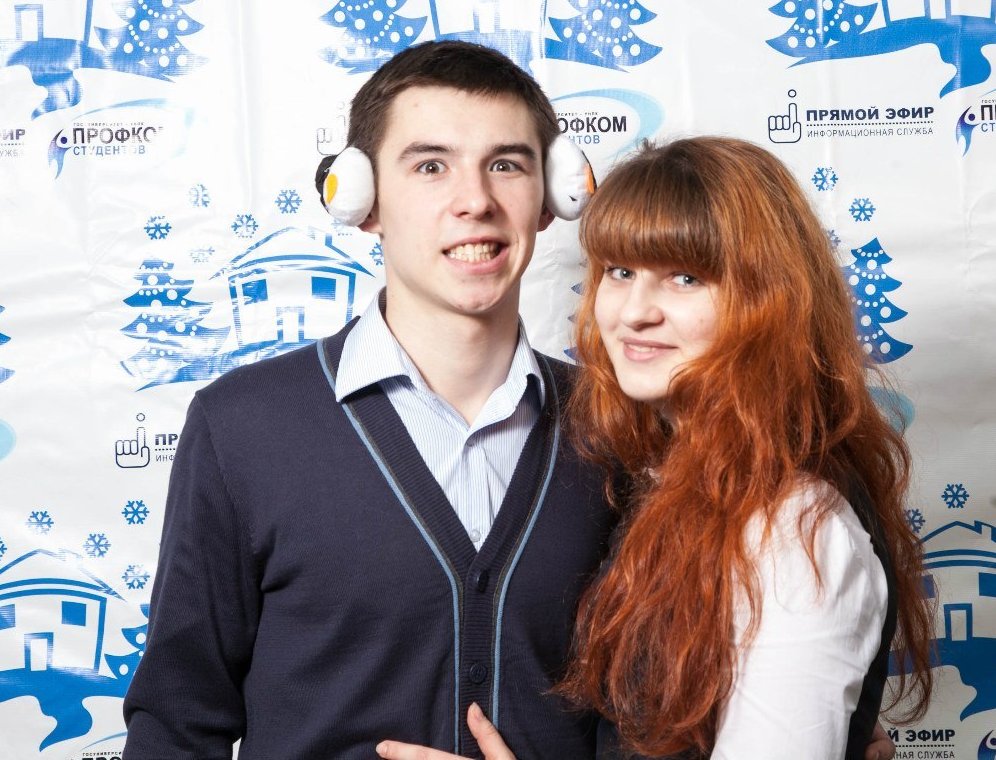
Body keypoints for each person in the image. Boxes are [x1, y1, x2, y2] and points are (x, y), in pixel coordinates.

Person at [122, 40, 617, 759]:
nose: (475, 201)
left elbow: (648, 726)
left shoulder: (618, 433)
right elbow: (175, 727)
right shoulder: (242, 428)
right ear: (362, 200)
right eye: (430, 166)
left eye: (506, 164)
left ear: (552, 197)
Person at [378, 137, 931, 760]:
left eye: (685, 278)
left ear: (770, 301)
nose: (634, 312)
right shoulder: (659, 472)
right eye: (619, 272)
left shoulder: (792, 524)